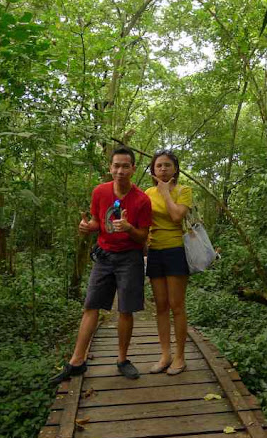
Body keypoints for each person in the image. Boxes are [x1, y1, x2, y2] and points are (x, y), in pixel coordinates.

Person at [50, 146, 152, 385]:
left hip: (130, 258)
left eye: (125, 166)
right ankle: (76, 361)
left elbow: (143, 237)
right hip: (104, 256)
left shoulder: (142, 200)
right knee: (91, 306)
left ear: (133, 169)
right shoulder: (100, 192)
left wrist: (129, 229)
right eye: (116, 165)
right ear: (110, 168)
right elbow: (98, 222)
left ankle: (123, 359)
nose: (120, 170)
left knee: (125, 310)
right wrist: (87, 227)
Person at [145, 150, 192, 375]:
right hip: (154, 252)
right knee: (161, 307)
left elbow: (176, 217)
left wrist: (165, 193)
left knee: (177, 306)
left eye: (167, 165)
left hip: (175, 251)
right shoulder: (146, 193)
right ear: (153, 171)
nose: (163, 169)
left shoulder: (184, 191)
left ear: (175, 168)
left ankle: (180, 357)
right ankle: (165, 355)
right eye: (159, 166)